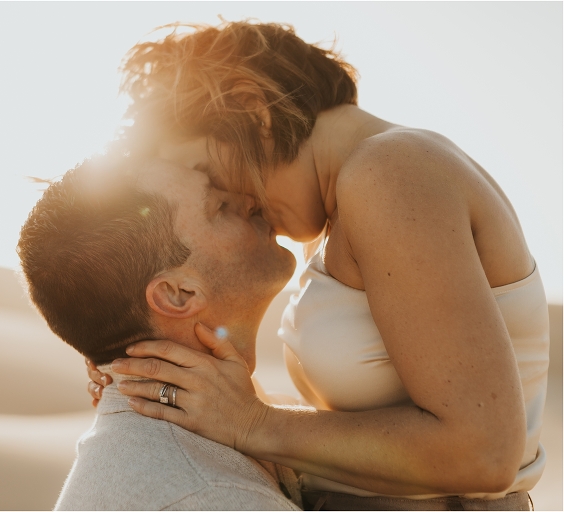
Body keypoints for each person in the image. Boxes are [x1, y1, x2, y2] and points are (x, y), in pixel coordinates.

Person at [86, 21, 549, 510]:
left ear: (250, 106)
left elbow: (482, 453)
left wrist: (253, 423)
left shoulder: (389, 172)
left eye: (209, 174)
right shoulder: (344, 205)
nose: (235, 202)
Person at [17, 154, 303, 510]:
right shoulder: (212, 494)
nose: (248, 201)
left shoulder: (145, 451)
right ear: (177, 294)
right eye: (219, 206)